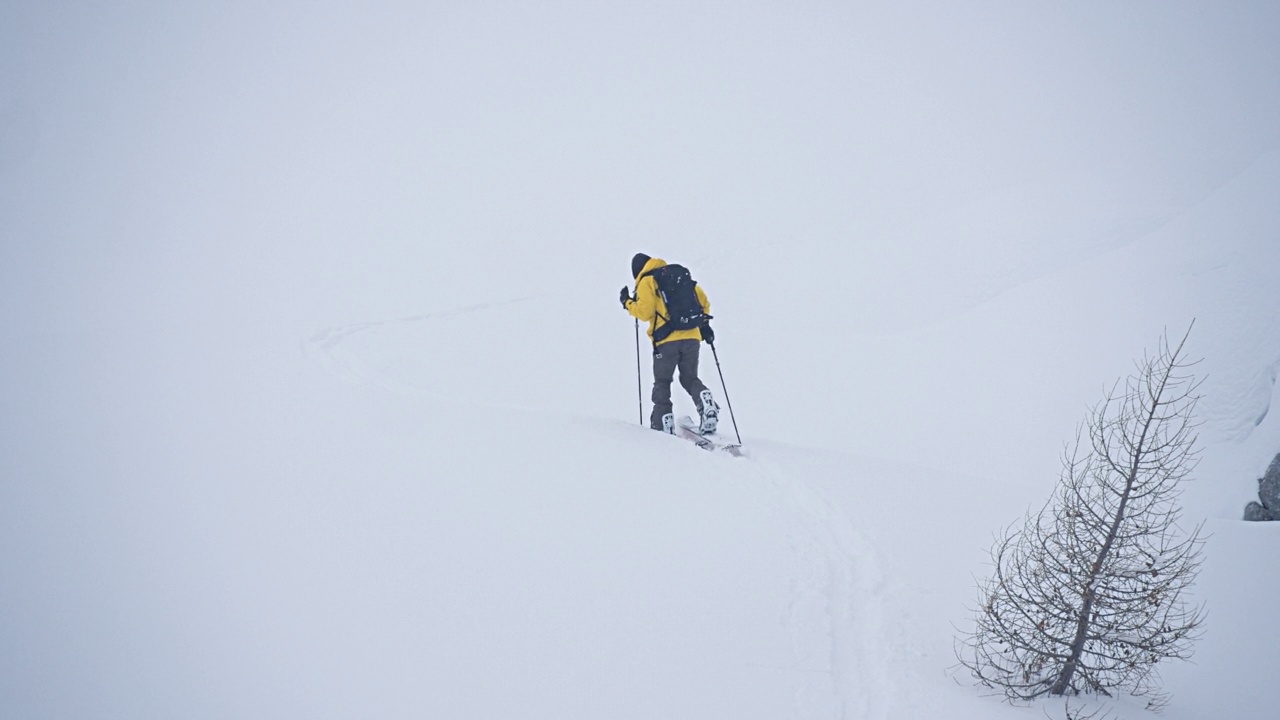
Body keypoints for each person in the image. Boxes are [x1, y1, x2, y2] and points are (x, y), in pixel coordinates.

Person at [620, 253, 721, 435]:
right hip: (692, 338)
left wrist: (627, 303)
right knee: (689, 378)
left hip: (666, 342)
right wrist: (703, 326)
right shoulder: (678, 276)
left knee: (663, 381)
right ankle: (704, 400)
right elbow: (703, 303)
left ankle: (662, 422)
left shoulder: (647, 281)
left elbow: (645, 312)